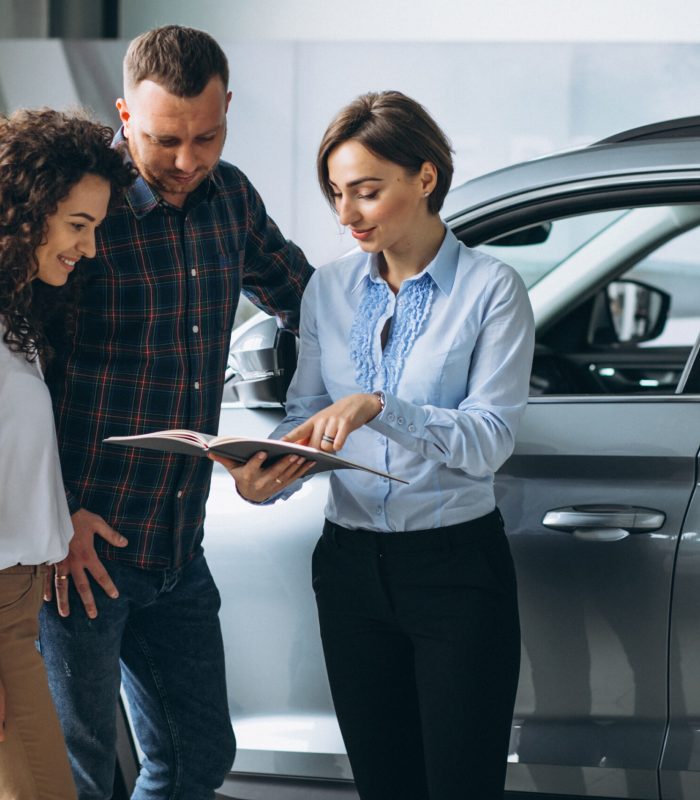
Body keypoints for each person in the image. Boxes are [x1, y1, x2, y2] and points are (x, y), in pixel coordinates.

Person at [211, 91, 535, 800]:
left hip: (455, 573)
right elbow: (305, 413)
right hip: (350, 570)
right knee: (384, 787)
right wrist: (269, 473)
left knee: (460, 786)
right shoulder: (327, 289)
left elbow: (490, 440)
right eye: (335, 193)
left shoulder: (493, 290)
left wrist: (379, 407)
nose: (347, 215)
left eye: (366, 191)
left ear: (425, 177)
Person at [39, 26, 313, 800]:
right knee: (78, 778)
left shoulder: (232, 198)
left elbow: (309, 305)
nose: (190, 161)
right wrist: (52, 517)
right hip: (78, 555)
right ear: (124, 116)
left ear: (228, 109)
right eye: (166, 140)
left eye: (209, 135)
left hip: (177, 545)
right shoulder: (82, 212)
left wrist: (318, 422)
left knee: (199, 760)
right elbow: (19, 380)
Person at [0, 108, 134, 800]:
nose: (87, 248)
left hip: (20, 603)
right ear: (26, 209)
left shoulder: (17, 313)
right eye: (77, 226)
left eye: (96, 229)